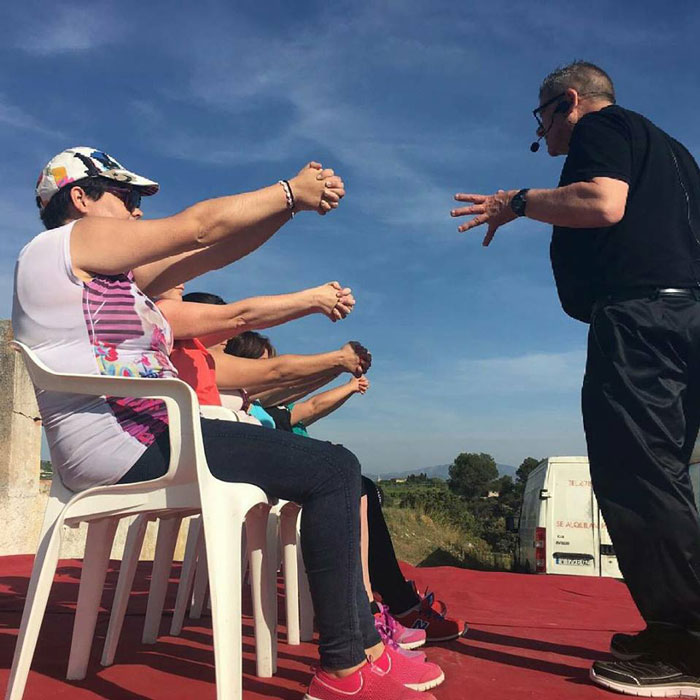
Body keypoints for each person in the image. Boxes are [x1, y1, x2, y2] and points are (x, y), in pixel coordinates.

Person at [12, 147, 443, 700]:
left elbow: (210, 252)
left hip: (149, 439)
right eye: (125, 197)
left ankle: (367, 656)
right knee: (336, 471)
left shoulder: (110, 278)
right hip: (131, 443)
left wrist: (290, 209)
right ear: (80, 198)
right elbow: (196, 227)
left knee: (336, 469)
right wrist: (288, 191)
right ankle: (345, 669)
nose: (138, 210)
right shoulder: (65, 244)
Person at [451, 61, 700, 696]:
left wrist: (518, 202)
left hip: (642, 321)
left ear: (568, 101)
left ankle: (689, 648)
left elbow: (602, 202)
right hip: (683, 318)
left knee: (638, 476)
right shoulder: (673, 153)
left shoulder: (602, 127)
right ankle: (672, 629)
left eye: (542, 119)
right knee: (664, 474)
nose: (543, 134)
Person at [227, 330, 466, 644]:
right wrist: (339, 365)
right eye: (260, 365)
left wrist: (343, 375)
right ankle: (372, 610)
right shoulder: (245, 404)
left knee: (359, 484)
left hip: (283, 477)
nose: (266, 371)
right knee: (352, 483)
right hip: (271, 484)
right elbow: (288, 383)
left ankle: (384, 600)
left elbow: (306, 399)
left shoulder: (264, 406)